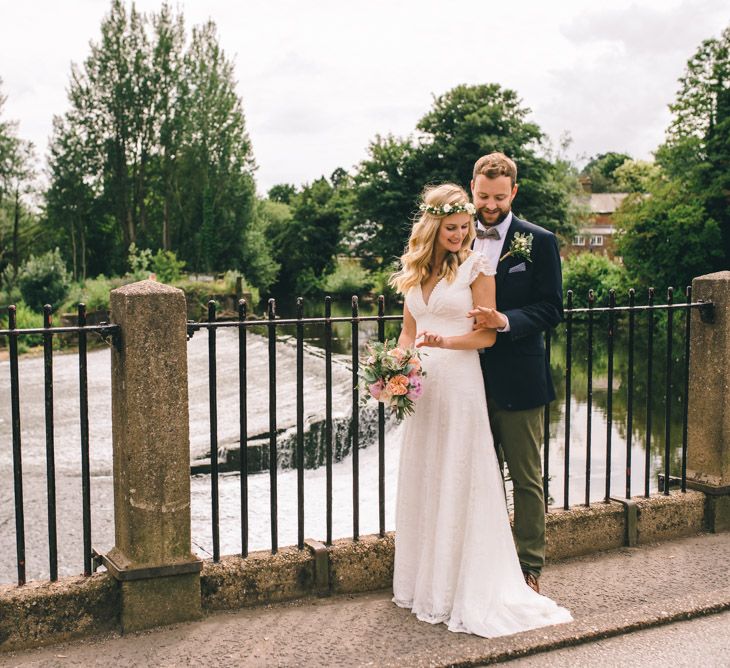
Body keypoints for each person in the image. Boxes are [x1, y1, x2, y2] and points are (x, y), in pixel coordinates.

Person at [389, 182, 571, 638]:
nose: (460, 234)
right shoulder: (414, 272)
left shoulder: (480, 264)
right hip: (426, 389)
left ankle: (518, 570)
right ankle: (429, 579)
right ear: (432, 227)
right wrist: (393, 368)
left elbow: (491, 331)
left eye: (464, 227)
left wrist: (445, 342)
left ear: (511, 193)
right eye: (451, 227)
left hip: (466, 378)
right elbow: (408, 333)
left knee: (480, 476)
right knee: (430, 475)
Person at [467, 152, 563, 594]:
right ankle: (478, 564)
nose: (490, 205)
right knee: (473, 475)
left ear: (514, 193)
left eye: (499, 198)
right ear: (473, 189)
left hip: (521, 380)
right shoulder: (454, 236)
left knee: (526, 479)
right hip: (466, 379)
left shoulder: (538, 241)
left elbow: (550, 309)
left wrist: (503, 321)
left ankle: (529, 567)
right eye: (484, 196)